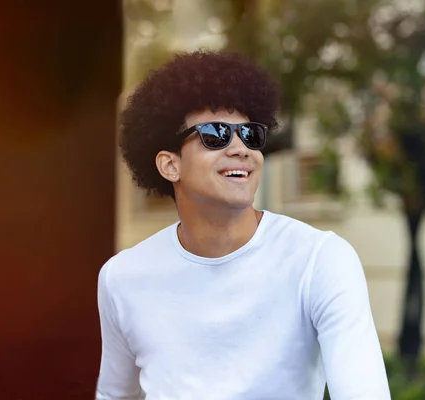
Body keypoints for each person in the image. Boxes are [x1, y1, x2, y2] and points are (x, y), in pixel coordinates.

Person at [95, 50, 392, 400]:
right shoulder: (122, 278)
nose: (240, 149)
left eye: (250, 135)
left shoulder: (320, 260)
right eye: (216, 134)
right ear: (169, 165)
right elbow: (114, 395)